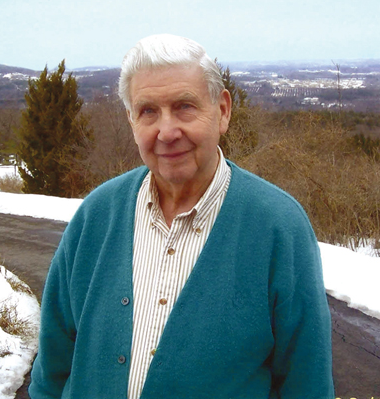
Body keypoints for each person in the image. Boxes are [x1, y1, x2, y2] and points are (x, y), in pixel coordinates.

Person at [29, 34, 334, 399]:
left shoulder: (278, 227)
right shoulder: (97, 215)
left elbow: (307, 383)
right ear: (131, 121)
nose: (167, 132)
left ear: (222, 111)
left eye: (184, 107)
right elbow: (52, 368)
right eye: (148, 112)